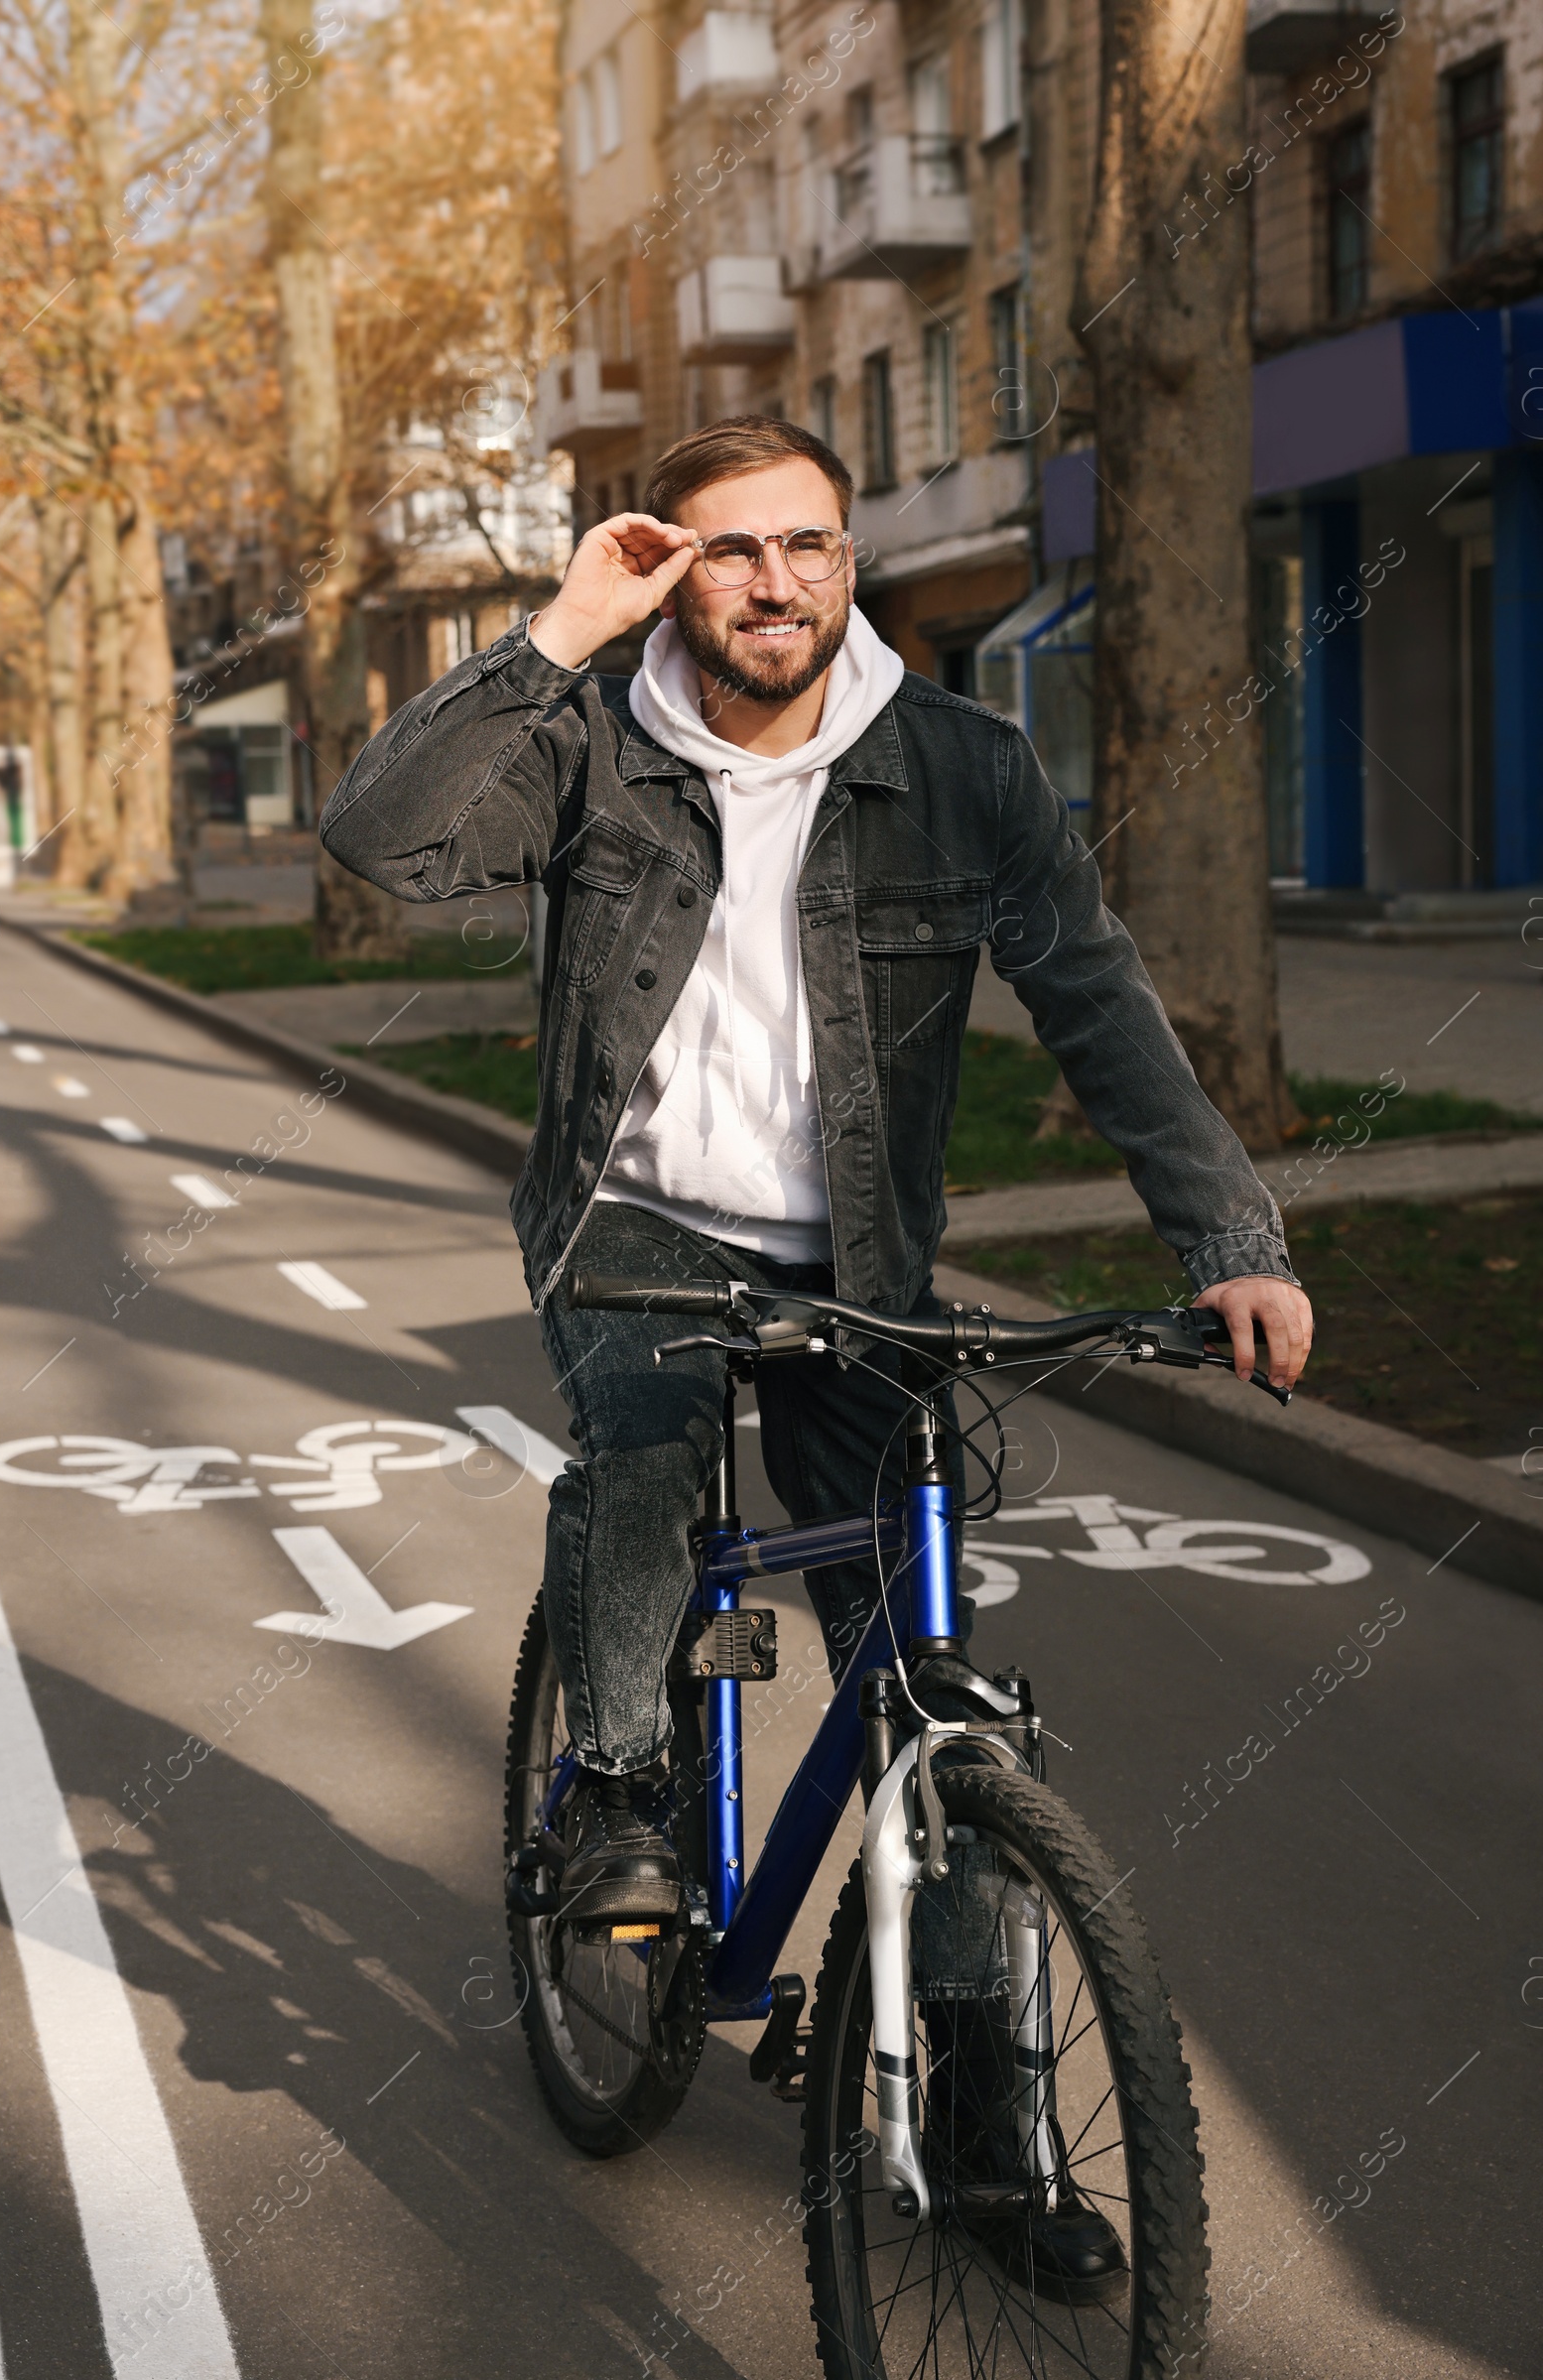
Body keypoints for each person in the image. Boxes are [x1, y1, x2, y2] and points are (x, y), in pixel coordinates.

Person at [321, 415, 1313, 1925]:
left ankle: (976, 2076)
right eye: (731, 549)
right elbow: (382, 839)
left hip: (857, 1250)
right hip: (631, 1223)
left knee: (919, 1667)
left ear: (848, 561)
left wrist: (1230, 1234)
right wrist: (564, 628)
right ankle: (618, 1786)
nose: (775, 582)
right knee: (645, 1458)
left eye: (808, 544)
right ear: (669, 573)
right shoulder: (591, 745)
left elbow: (1098, 1004)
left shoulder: (964, 769)